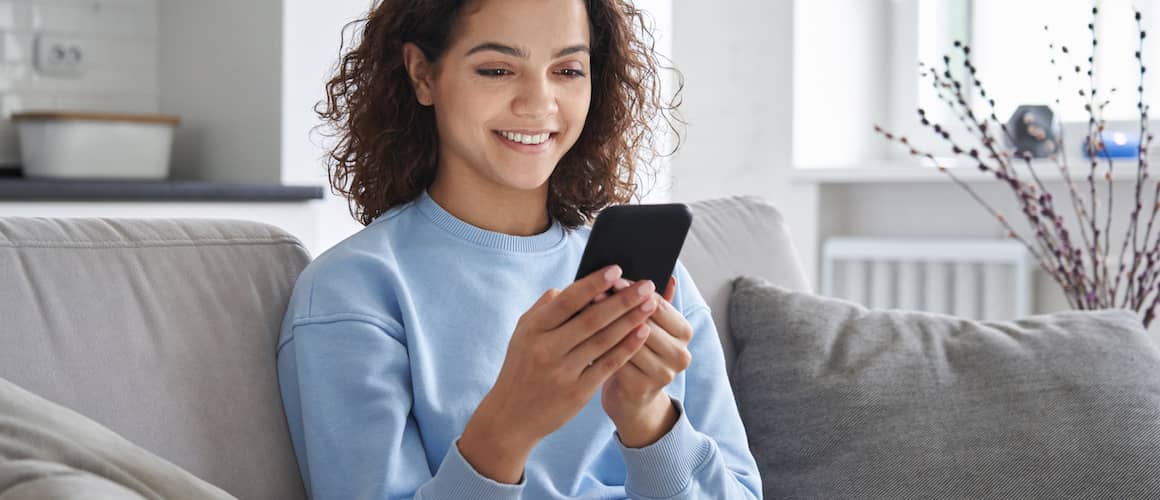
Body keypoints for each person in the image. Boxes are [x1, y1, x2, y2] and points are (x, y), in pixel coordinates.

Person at [275, 0, 762, 498]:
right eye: (497, 69)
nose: (539, 102)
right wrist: (509, 426)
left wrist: (648, 420)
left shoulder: (649, 283)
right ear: (423, 75)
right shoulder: (352, 293)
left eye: (568, 69)